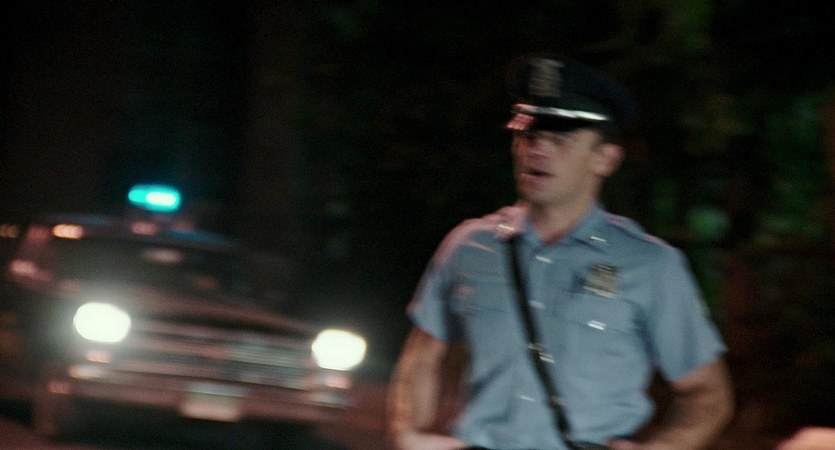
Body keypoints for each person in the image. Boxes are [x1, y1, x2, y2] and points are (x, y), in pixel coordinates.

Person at [387, 53, 734, 450]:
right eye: (529, 135)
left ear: (605, 158)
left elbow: (708, 395)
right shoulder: (469, 247)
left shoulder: (651, 265)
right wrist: (409, 433)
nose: (537, 149)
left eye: (561, 138)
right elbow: (423, 357)